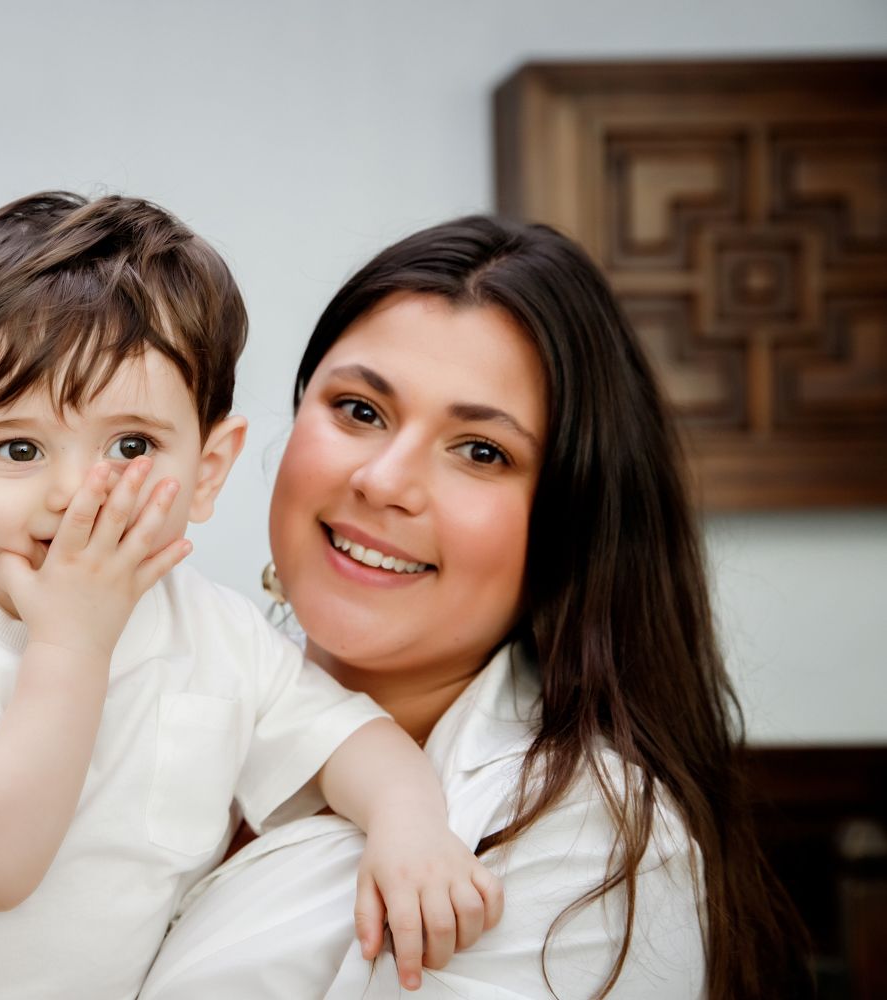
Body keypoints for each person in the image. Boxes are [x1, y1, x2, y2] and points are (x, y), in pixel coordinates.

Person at [0, 193, 502, 1000]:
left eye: (130, 445)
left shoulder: (217, 633)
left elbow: (348, 739)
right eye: (18, 447)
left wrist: (411, 826)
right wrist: (72, 643)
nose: (73, 493)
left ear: (207, 471)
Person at [141, 216, 809, 999]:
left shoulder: (592, 841)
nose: (385, 481)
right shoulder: (171, 669)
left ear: (571, 522)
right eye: (359, 410)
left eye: (483, 452)